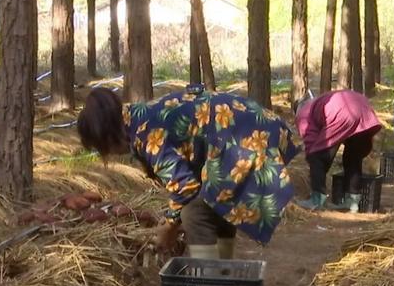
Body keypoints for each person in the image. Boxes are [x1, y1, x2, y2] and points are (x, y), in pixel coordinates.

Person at [77, 85, 301, 260]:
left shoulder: (146, 135)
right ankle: (224, 276)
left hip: (249, 139)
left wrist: (169, 225)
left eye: (102, 148)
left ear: (107, 137)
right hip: (256, 130)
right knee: (214, 205)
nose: (110, 154)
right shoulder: (138, 117)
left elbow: (185, 187)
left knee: (194, 213)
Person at [294, 89, 382, 213]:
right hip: (366, 111)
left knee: (316, 155)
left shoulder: (303, 112)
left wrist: (315, 166)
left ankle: (317, 199)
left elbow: (311, 143)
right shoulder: (321, 101)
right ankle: (352, 202)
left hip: (343, 113)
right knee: (352, 157)